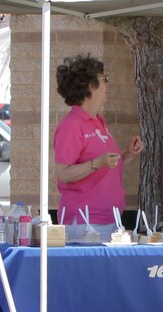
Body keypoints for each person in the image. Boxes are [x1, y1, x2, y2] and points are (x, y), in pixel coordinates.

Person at [53, 54, 144, 240]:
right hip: (86, 222)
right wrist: (97, 162)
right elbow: (63, 173)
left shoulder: (98, 122)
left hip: (109, 219)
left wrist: (127, 154)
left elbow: (106, 165)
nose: (108, 85)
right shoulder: (72, 125)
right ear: (90, 86)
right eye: (105, 79)